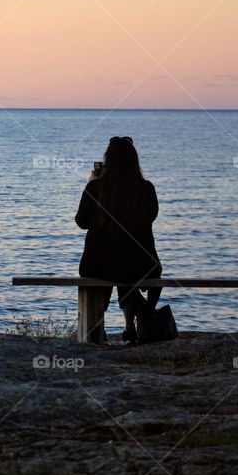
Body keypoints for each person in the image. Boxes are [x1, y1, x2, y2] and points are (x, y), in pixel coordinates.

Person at [75, 136, 161, 344]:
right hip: (140, 265)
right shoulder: (146, 188)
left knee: (109, 263)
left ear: (108, 162)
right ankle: (132, 324)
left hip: (97, 265)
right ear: (134, 162)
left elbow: (81, 222)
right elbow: (151, 216)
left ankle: (99, 326)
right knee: (128, 263)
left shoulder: (96, 188)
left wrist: (92, 182)